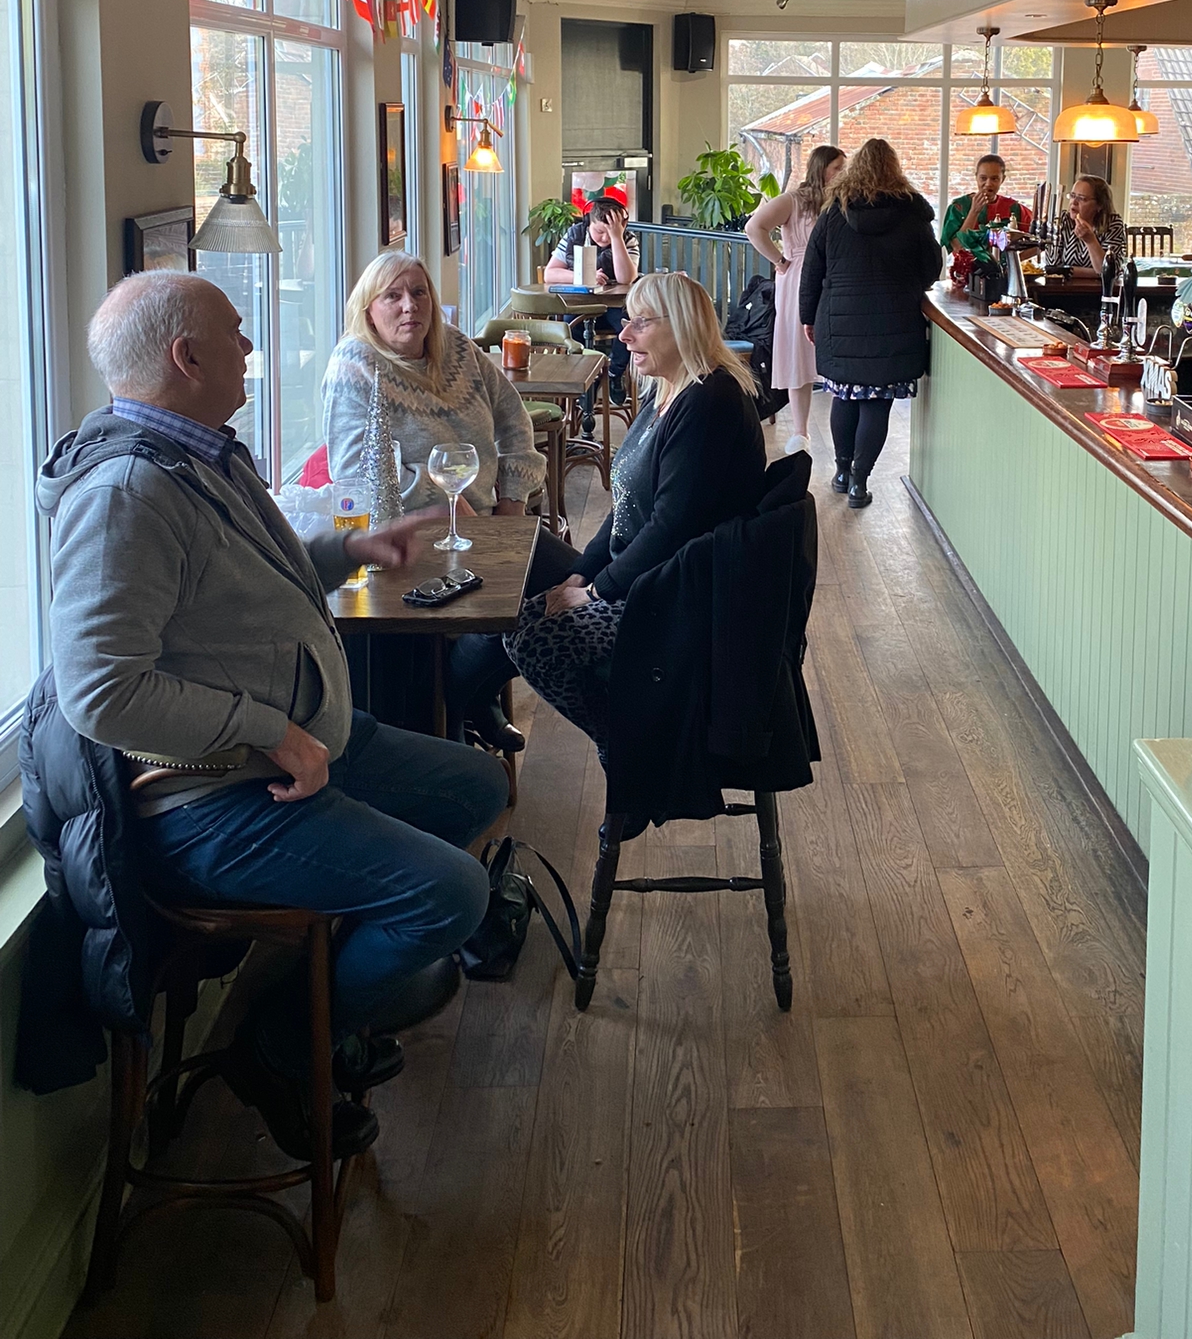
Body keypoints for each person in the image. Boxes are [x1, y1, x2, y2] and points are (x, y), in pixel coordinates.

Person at [38, 272, 508, 1163]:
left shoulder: (199, 452)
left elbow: (254, 577)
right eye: (236, 331)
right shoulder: (126, 494)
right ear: (187, 357)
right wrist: (268, 729)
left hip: (302, 748)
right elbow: (100, 691)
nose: (252, 345)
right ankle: (284, 1047)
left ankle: (334, 991)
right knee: (452, 893)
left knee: (477, 785)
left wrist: (351, 548)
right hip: (214, 796)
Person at [507, 271, 765, 753]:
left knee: (532, 641)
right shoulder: (666, 391)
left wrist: (595, 591)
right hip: (649, 575)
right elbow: (626, 504)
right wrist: (581, 573)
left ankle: (631, 750)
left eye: (640, 323)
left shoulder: (709, 401)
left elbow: (672, 526)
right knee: (516, 587)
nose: (623, 334)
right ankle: (463, 711)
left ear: (682, 325)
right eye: (626, 320)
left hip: (682, 596)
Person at [321, 252, 549, 757]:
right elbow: (357, 472)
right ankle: (464, 705)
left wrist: (511, 504)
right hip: (409, 539)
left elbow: (514, 422)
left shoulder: (460, 350)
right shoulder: (355, 366)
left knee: (563, 586)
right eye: (393, 296)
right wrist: (445, 501)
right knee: (527, 600)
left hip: (486, 524)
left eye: (419, 292)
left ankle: (470, 695)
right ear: (368, 308)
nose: (410, 306)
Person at [799, 137, 942, 509]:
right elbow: (931, 269)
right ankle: (860, 483)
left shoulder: (834, 212)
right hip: (894, 322)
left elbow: (812, 269)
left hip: (839, 320)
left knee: (844, 397)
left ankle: (841, 472)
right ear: (895, 169)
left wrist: (807, 317)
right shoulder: (913, 213)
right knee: (877, 405)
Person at [744, 144, 846, 454]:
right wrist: (779, 260)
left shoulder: (842, 200)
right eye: (837, 168)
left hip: (834, 276)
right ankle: (801, 431)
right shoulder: (794, 200)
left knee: (834, 348)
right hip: (798, 276)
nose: (842, 173)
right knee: (797, 349)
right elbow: (754, 227)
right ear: (821, 168)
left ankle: (839, 433)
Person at [545, 193, 640, 415]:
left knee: (630, 327)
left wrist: (617, 238)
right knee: (571, 327)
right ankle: (585, 379)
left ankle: (615, 373)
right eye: (599, 231)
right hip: (580, 305)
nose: (604, 238)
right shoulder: (574, 234)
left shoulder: (627, 239)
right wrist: (582, 276)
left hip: (614, 306)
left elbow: (626, 278)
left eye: (610, 232)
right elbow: (550, 273)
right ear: (589, 222)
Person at [939, 153, 1031, 289]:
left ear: (1003, 179)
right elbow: (957, 247)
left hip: (1005, 281)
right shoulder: (958, 207)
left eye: (994, 178)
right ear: (976, 177)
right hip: (966, 280)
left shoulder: (1014, 208)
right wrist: (974, 212)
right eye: (983, 178)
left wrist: (1013, 261)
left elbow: (1038, 242)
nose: (988, 184)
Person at [1038, 175, 1128, 279]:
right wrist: (1090, 273)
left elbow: (1108, 272)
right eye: (1072, 196)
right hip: (1063, 287)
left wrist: (1091, 241)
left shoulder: (1112, 224)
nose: (1074, 202)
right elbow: (1053, 267)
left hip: (1099, 288)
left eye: (1081, 198)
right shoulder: (1063, 220)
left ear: (1099, 205)